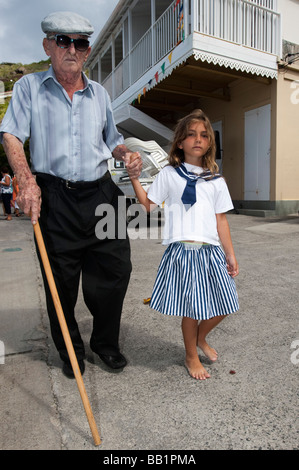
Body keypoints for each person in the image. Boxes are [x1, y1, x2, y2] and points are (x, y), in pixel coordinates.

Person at [0, 11, 142, 378]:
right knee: (60, 281)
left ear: (87, 50)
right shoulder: (30, 87)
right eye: (62, 40)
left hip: (102, 194)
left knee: (116, 269)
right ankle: (71, 350)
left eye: (79, 43)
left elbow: (112, 141)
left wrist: (127, 155)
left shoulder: (99, 94)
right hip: (55, 197)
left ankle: (104, 343)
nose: (70, 49)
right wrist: (25, 179)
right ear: (47, 45)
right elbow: (12, 134)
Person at [129, 109, 239, 380]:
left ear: (209, 142)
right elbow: (149, 204)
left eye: (204, 135)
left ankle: (201, 338)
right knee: (192, 308)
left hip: (211, 250)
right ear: (180, 142)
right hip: (183, 250)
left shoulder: (215, 179)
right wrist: (134, 177)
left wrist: (230, 254)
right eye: (191, 135)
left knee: (227, 303)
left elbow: (221, 220)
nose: (198, 139)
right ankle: (191, 356)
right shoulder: (170, 174)